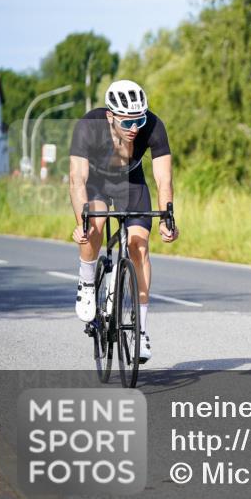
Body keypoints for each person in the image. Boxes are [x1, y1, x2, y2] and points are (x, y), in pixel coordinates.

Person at [68, 79, 179, 362]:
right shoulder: (88, 125)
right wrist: (81, 219)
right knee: (95, 225)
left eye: (139, 120)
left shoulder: (153, 126)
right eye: (127, 122)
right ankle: (87, 283)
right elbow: (76, 180)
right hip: (95, 182)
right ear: (110, 116)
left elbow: (164, 179)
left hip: (131, 182)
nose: (135, 129)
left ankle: (140, 331)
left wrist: (167, 216)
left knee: (139, 246)